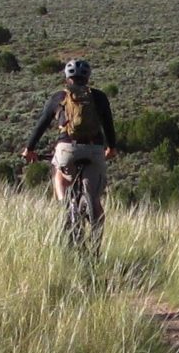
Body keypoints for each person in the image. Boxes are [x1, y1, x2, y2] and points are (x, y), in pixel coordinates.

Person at [22, 57, 117, 233]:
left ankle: (66, 206)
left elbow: (41, 124)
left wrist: (30, 149)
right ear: (88, 77)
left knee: (59, 174)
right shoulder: (99, 97)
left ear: (67, 77)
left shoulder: (59, 97)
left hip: (67, 148)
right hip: (94, 149)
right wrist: (111, 147)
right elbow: (109, 125)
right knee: (94, 199)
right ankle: (96, 244)